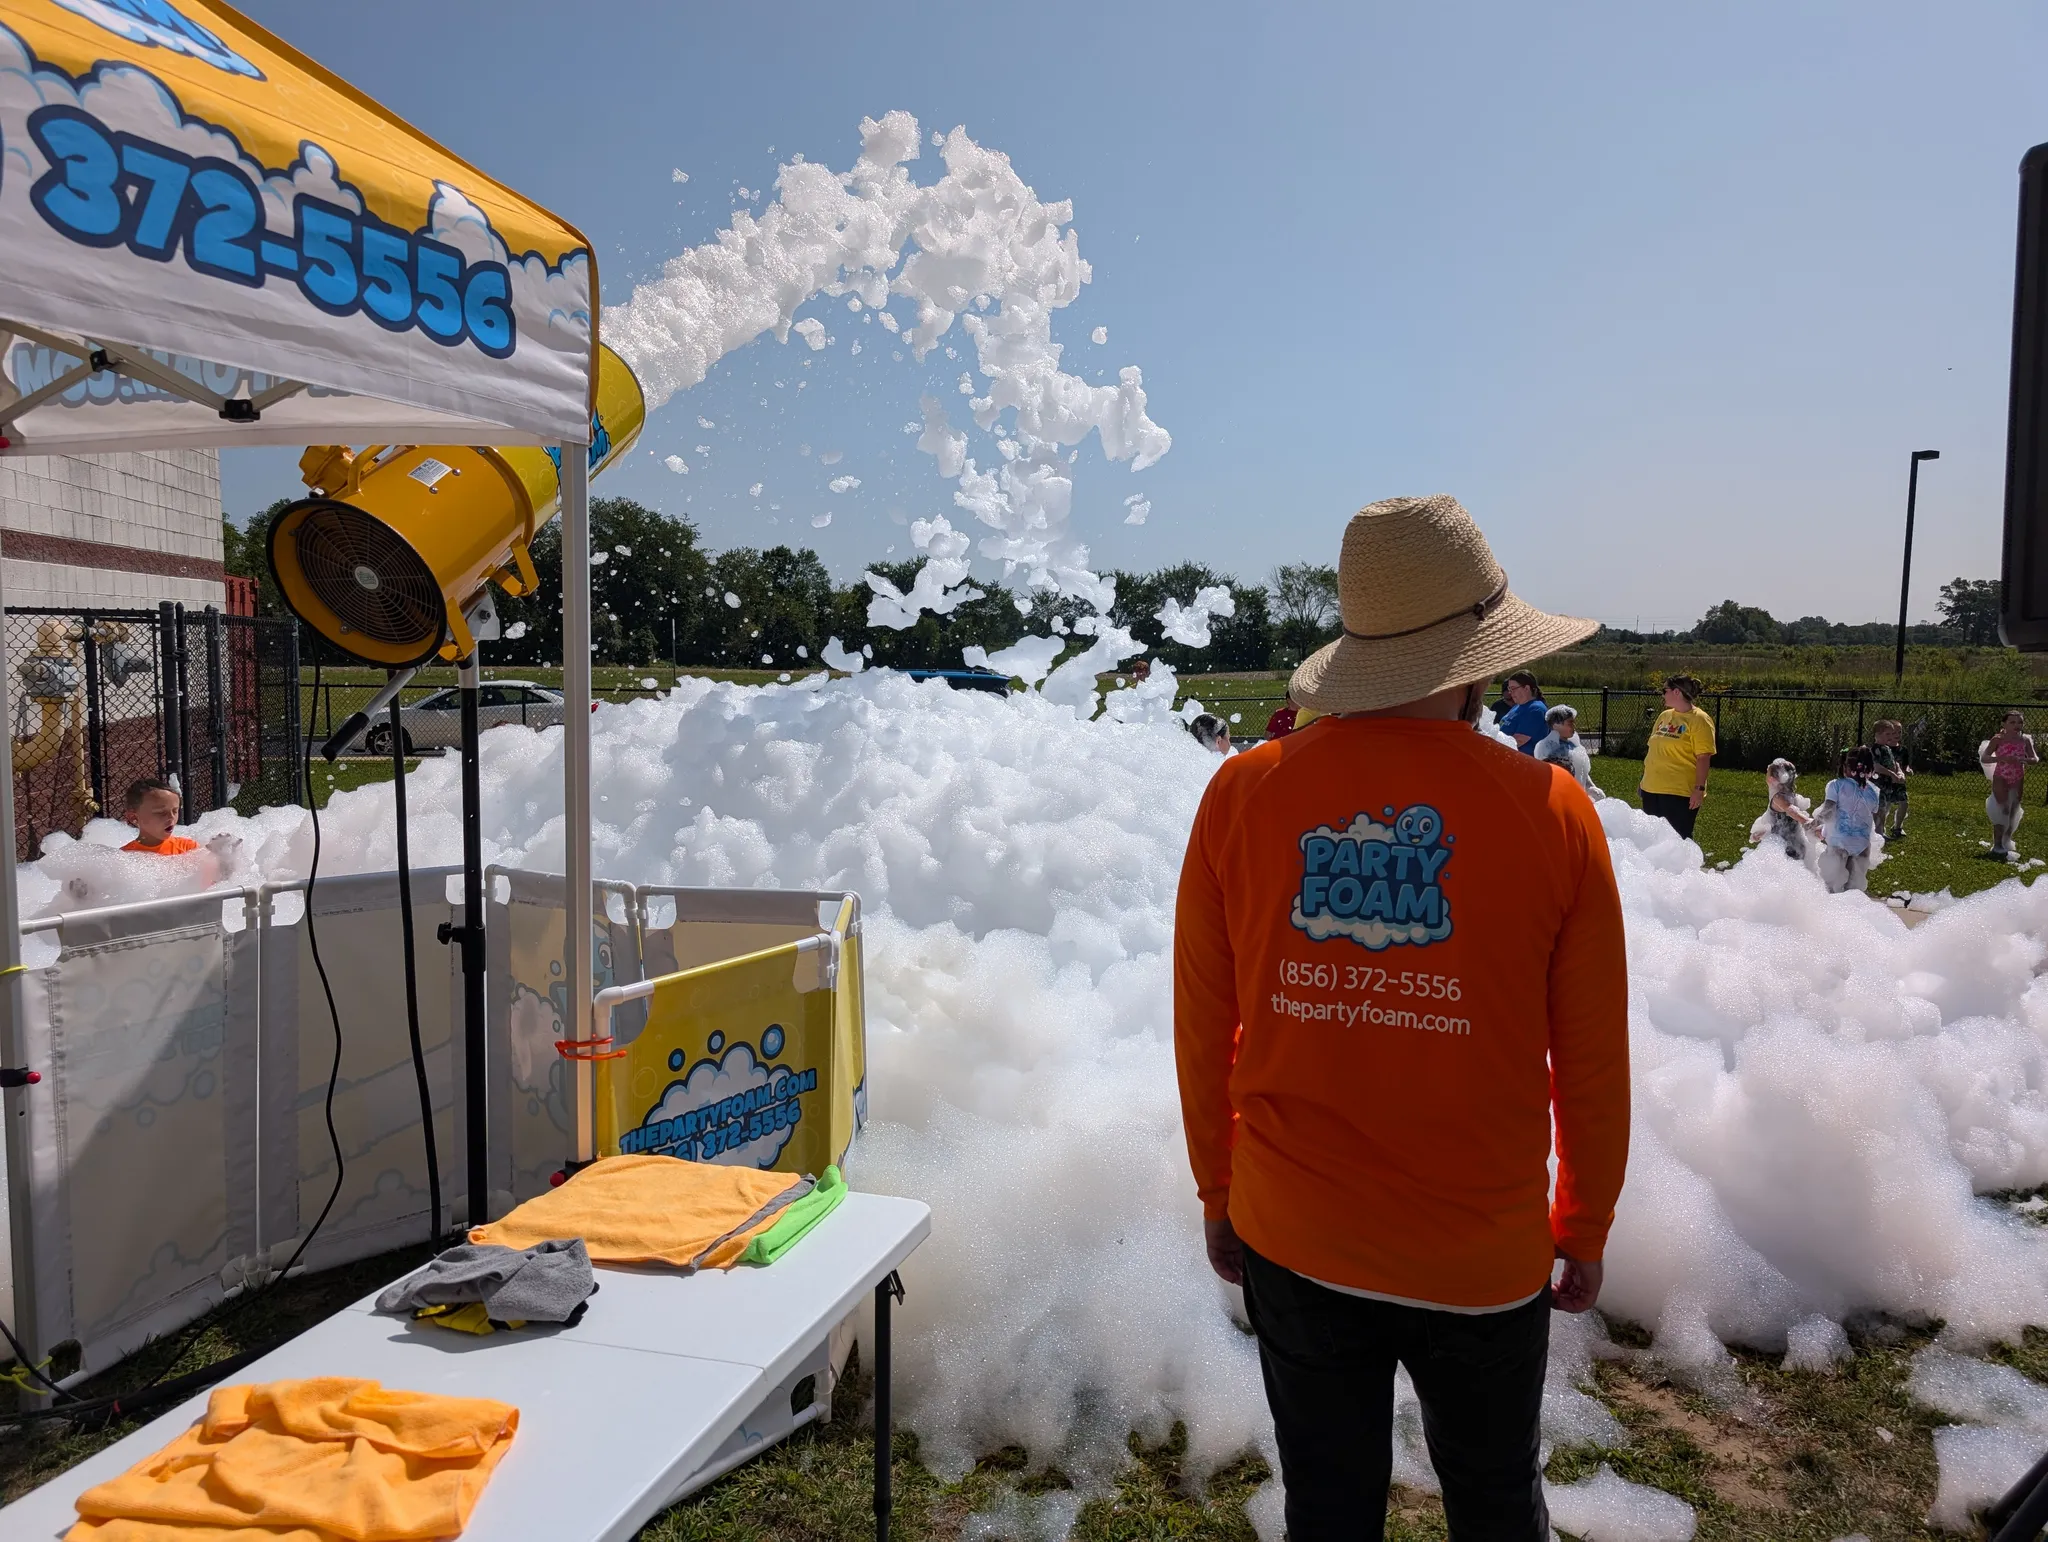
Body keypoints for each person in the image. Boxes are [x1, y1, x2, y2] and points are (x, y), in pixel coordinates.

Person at [1175, 494, 1628, 1542]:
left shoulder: (1241, 794)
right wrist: (1585, 1222)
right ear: (1475, 660)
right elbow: (1589, 1059)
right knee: (1494, 1501)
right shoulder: (1552, 812)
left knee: (1327, 1510)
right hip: (1479, 1254)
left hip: (1293, 1230)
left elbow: (1205, 1022)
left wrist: (1217, 1186)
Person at [1637, 675, 1715, 840]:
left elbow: (1703, 757)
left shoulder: (1699, 720)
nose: (1662, 695)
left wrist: (1699, 789)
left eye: (1665, 690)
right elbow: (1653, 749)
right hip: (1651, 788)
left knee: (1676, 841)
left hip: (1679, 792)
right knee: (1651, 840)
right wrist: (1643, 781)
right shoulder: (1664, 716)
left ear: (1677, 692)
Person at [1814, 746, 1882, 894]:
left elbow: (1830, 811)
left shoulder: (1836, 785)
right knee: (1854, 890)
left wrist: (1815, 823)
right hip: (1862, 845)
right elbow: (1868, 819)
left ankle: (1830, 915)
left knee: (1831, 887)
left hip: (1839, 842)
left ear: (1846, 767)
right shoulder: (1873, 792)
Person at [1982, 710, 2037, 859]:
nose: (2017, 725)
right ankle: (1997, 844)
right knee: (2002, 809)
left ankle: (2007, 840)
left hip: (2018, 778)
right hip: (2001, 777)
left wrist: (2024, 760)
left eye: (2020, 722)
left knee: (2013, 811)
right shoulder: (1998, 739)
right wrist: (2002, 758)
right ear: (2004, 724)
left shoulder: (2025, 740)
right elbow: (1985, 758)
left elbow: (2035, 758)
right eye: (2012, 722)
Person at [1749, 758, 1815, 865]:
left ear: (1771, 779)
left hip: (1784, 848)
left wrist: (1807, 821)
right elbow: (1779, 821)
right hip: (1797, 843)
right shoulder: (1793, 797)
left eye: (1767, 773)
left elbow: (1791, 811)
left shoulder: (1778, 798)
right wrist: (1763, 832)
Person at [1533, 704, 1601, 800]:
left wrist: (1591, 787)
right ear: (1556, 725)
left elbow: (1582, 773)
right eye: (1570, 723)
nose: (1574, 726)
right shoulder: (1546, 746)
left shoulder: (1574, 746)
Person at [122, 777, 199, 855]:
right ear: (133, 817)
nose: (171, 817)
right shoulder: (124, 857)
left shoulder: (188, 848)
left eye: (175, 811)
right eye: (161, 813)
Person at [1869, 720, 1911, 841]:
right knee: (1879, 810)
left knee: (1884, 809)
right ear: (1877, 734)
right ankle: (1877, 834)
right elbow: (1875, 766)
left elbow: (1895, 763)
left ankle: (1880, 833)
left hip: (1887, 785)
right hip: (1878, 784)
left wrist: (1899, 772)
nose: (1890, 737)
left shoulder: (1886, 748)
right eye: (1887, 734)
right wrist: (1891, 774)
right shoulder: (1875, 749)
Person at [1495, 670, 1548, 753]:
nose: (1510, 692)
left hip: (1523, 762)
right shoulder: (1517, 706)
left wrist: (1493, 747)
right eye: (1509, 688)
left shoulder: (1535, 710)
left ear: (1526, 688)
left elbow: (1518, 740)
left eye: (1513, 688)